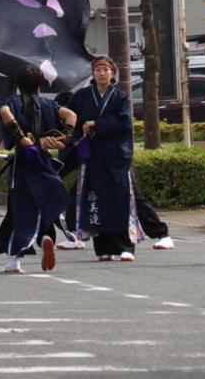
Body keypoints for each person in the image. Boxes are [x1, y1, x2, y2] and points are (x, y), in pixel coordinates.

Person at [0, 65, 77, 274]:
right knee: (45, 202)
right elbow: (71, 115)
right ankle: (45, 237)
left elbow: (4, 112)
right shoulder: (49, 104)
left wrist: (22, 139)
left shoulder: (12, 103)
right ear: (40, 86)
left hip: (23, 160)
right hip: (45, 161)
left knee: (20, 209)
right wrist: (64, 138)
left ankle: (14, 259)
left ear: (18, 85)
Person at [69, 56, 144, 262]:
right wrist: (75, 140)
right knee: (95, 202)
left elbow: (124, 123)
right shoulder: (83, 96)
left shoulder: (120, 97)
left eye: (105, 70)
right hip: (92, 157)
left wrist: (96, 124)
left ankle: (125, 247)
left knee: (119, 201)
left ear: (112, 73)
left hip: (115, 157)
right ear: (92, 74)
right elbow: (71, 120)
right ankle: (102, 247)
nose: (102, 73)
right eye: (98, 70)